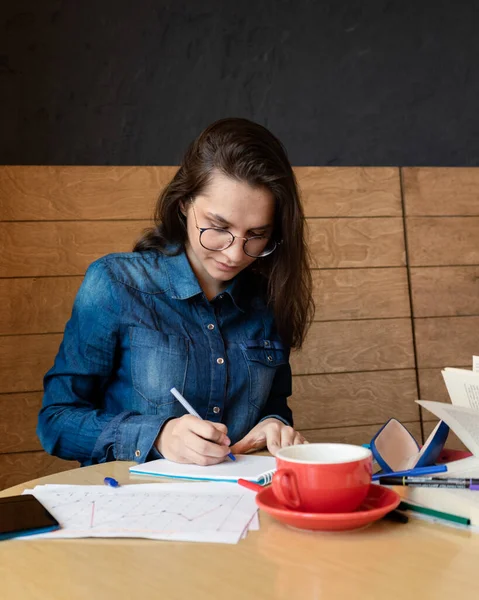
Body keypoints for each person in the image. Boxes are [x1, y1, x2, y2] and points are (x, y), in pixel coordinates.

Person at [37, 118, 315, 467]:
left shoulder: (267, 297)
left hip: (240, 504)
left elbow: (274, 408)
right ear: (183, 202)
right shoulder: (116, 283)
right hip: (136, 509)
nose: (235, 253)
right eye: (218, 227)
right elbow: (56, 421)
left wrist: (275, 426)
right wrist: (158, 436)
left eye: (256, 235)